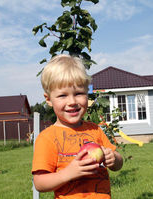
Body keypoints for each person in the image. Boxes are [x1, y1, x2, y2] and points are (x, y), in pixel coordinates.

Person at [32, 54, 123, 199]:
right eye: (62, 96)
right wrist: (68, 173)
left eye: (79, 93)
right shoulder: (47, 138)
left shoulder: (94, 130)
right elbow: (39, 183)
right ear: (49, 100)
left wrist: (114, 159)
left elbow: (118, 163)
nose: (72, 101)